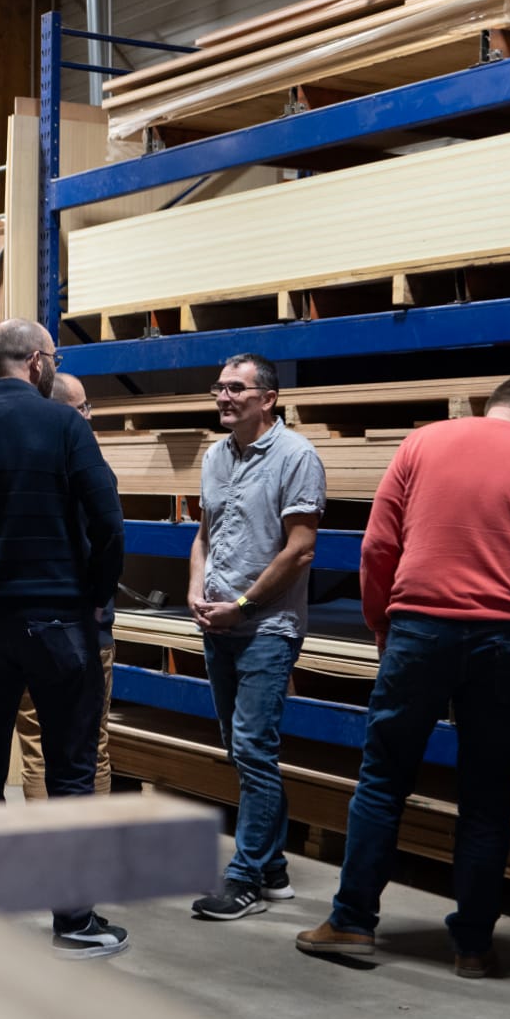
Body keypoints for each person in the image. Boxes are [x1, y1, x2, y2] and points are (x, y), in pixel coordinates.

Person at [297, 376, 510, 971]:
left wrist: (382, 627)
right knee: (487, 797)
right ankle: (473, 945)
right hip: (509, 638)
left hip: (420, 628)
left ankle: (353, 922)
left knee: (384, 780)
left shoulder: (421, 443)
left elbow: (377, 547)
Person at [0, 319, 127, 958]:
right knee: (69, 770)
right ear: (39, 364)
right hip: (60, 624)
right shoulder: (65, 426)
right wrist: (94, 594)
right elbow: (108, 520)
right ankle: (73, 921)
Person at [171, 355, 326, 922]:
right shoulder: (215, 456)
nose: (223, 397)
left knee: (255, 748)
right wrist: (195, 586)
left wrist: (242, 606)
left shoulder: (297, 457)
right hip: (219, 623)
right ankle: (275, 865)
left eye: (236, 388)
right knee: (242, 748)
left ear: (269, 398)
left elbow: (301, 549)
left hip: (266, 627)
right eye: (219, 387)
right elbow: (204, 535)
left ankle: (244, 879)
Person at [15, 372, 116, 799]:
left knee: (37, 746)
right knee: (90, 747)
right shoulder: (90, 465)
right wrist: (98, 600)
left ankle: (43, 852)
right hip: (84, 627)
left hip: (20, 623)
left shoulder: (22, 463)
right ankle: (86, 855)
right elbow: (109, 534)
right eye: (84, 407)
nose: (89, 415)